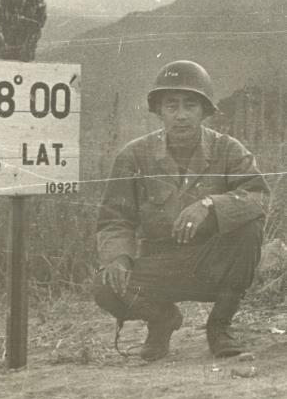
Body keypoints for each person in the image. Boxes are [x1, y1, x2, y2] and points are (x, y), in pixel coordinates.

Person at [94, 60, 269, 360]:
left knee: (250, 226)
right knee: (105, 285)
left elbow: (258, 196)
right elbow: (115, 219)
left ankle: (220, 326)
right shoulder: (133, 155)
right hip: (161, 264)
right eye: (172, 105)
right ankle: (161, 321)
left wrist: (210, 204)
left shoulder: (229, 149)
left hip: (213, 262)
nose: (181, 115)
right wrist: (119, 258)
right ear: (159, 111)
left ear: (204, 110)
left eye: (190, 105)